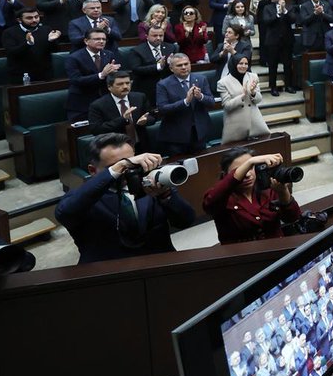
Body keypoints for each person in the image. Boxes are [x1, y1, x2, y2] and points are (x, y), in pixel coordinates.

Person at [54, 133, 195, 264]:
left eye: (132, 163)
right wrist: (121, 165)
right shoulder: (84, 197)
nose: (127, 171)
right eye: (116, 166)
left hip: (159, 266)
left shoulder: (152, 184)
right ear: (93, 170)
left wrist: (165, 195)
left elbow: (186, 221)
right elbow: (64, 213)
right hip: (110, 275)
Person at [202, 148, 301, 244]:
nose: (248, 174)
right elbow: (209, 204)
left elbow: (292, 218)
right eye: (242, 169)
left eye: (251, 168)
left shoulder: (267, 187)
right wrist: (250, 162)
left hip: (277, 249)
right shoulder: (221, 196)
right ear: (226, 175)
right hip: (243, 256)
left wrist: (283, 193)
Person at [155, 53, 216, 156]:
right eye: (179, 65)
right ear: (171, 68)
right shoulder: (163, 84)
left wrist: (200, 96)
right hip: (176, 136)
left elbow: (211, 102)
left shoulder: (201, 79)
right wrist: (185, 101)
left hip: (198, 134)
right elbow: (162, 108)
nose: (184, 67)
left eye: (186, 64)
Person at [87, 72, 154, 145]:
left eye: (127, 83)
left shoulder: (140, 97)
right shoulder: (98, 105)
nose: (125, 86)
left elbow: (152, 117)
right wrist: (123, 119)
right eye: (120, 84)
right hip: (115, 147)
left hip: (141, 144)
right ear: (109, 87)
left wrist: (145, 121)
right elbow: (96, 130)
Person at [1, 6, 61, 84]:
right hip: (20, 76)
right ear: (19, 20)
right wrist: (28, 44)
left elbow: (56, 50)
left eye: (36, 17)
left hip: (44, 75)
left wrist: (51, 41)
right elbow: (12, 53)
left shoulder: (46, 30)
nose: (34, 20)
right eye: (29, 18)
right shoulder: (9, 33)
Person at [219, 55, 271, 142]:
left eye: (246, 64)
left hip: (254, 121)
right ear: (234, 64)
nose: (244, 66)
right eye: (240, 63)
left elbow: (258, 100)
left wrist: (253, 93)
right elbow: (227, 105)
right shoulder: (223, 82)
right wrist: (242, 96)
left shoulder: (253, 77)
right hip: (235, 123)